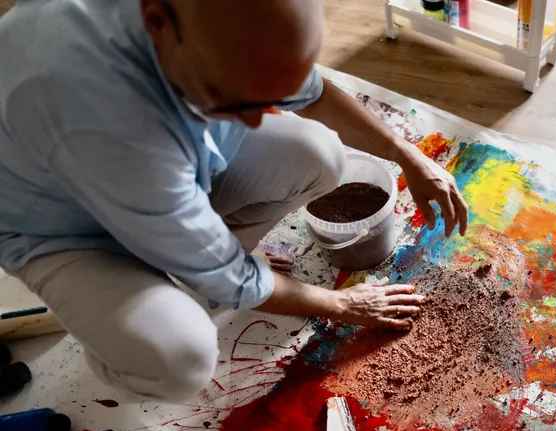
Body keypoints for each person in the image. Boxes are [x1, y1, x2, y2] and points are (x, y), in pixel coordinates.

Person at [0, 0, 469, 402]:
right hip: (63, 228)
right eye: (231, 99)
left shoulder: (218, 34)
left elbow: (314, 95)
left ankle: (199, 245)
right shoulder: (112, 128)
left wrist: (406, 153)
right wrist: (344, 304)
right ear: (157, 21)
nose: (254, 122)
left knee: (317, 153)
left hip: (146, 167)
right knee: (176, 355)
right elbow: (233, 283)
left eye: (267, 98)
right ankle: (113, 339)